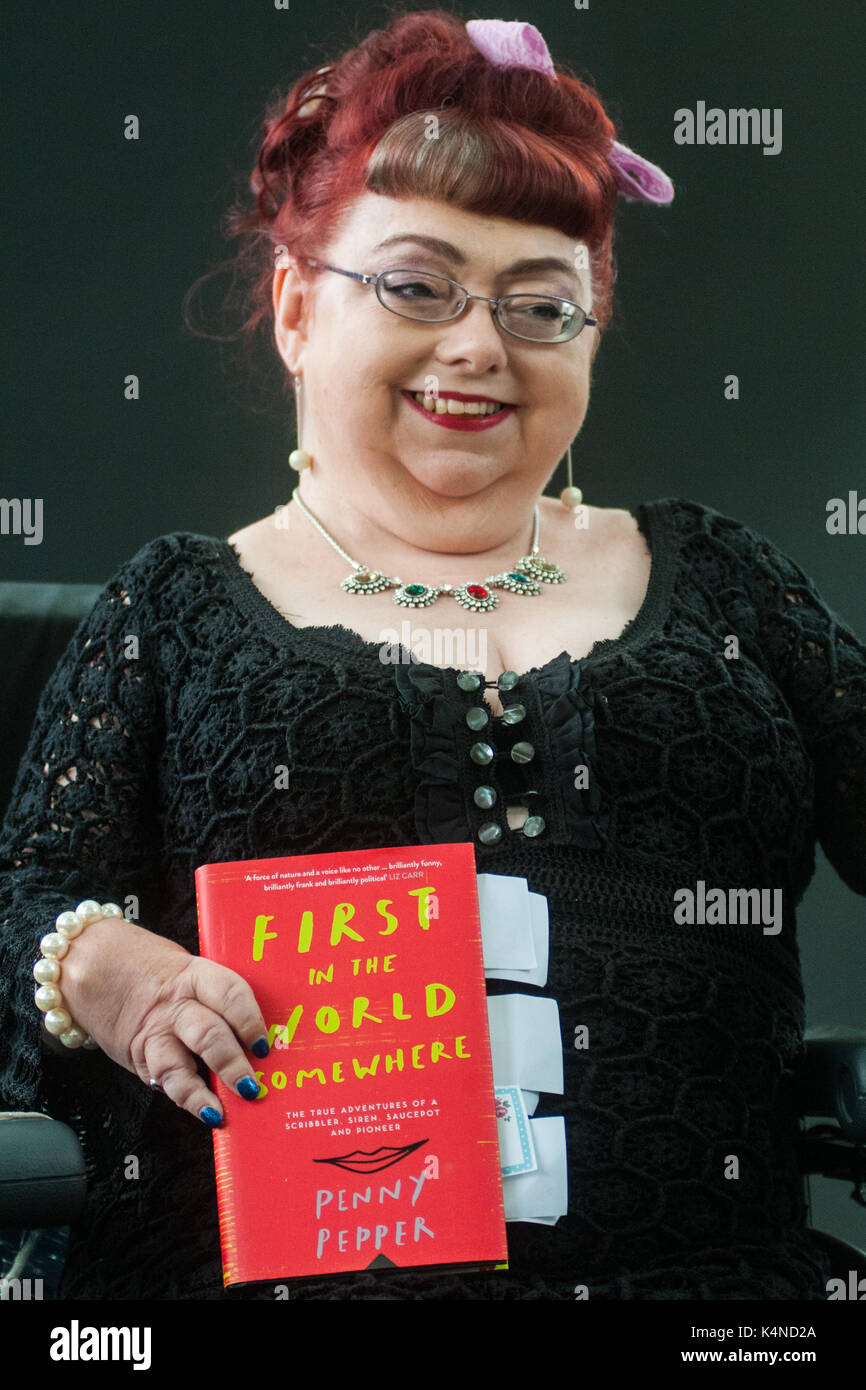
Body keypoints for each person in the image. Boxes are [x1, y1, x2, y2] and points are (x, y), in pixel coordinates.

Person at [1, 9, 864, 1302]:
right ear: (296, 307)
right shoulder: (171, 608)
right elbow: (28, 901)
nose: (479, 345)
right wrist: (111, 972)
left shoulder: (727, 578)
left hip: (720, 1302)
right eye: (416, 284)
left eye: (540, 304)